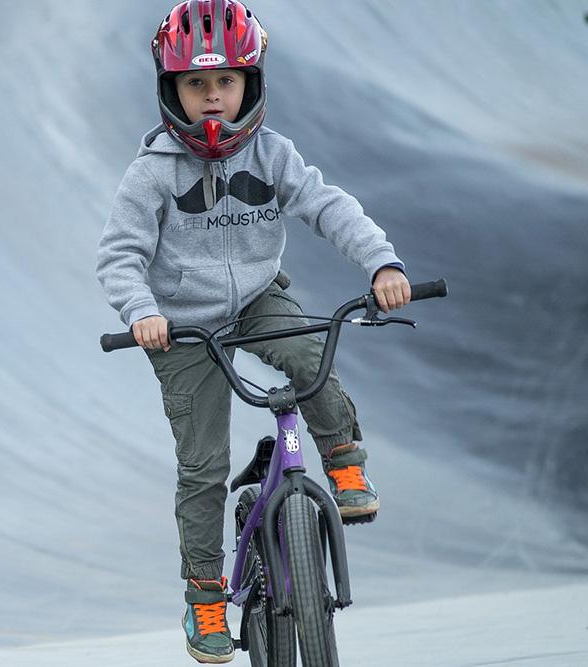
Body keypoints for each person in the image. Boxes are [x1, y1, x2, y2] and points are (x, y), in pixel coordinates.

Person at [95, 1, 411, 663]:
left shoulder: (272, 154)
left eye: (227, 81)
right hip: (180, 327)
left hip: (257, 299)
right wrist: (141, 311)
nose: (213, 96)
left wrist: (381, 261)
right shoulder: (153, 171)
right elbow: (120, 255)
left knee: (308, 352)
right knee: (203, 464)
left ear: (252, 83)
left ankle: (343, 460)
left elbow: (326, 205)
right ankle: (205, 594)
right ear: (171, 91)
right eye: (196, 84)